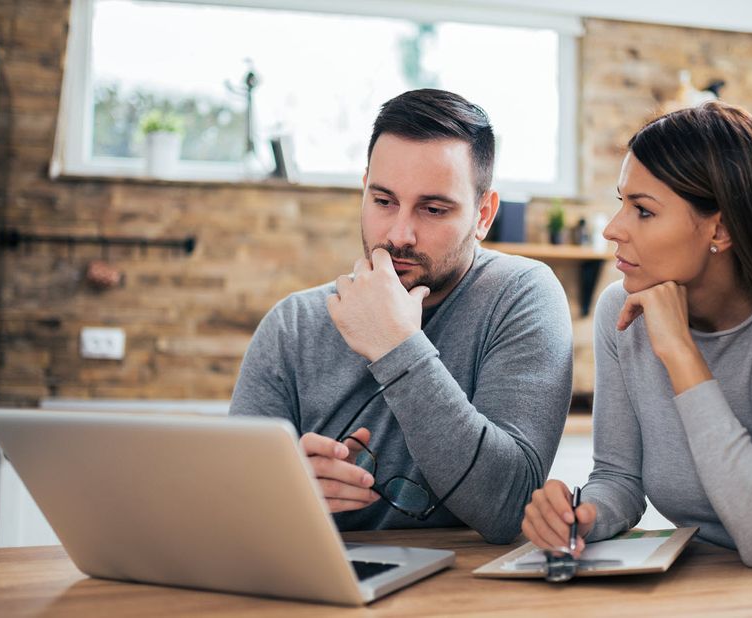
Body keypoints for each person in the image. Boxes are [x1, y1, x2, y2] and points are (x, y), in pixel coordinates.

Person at [521, 101, 752, 575]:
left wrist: (680, 353)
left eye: (643, 211)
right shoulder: (622, 312)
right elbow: (619, 478)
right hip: (709, 583)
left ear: (721, 227)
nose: (613, 229)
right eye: (621, 202)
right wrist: (584, 516)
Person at [230, 89, 573, 543]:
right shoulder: (293, 324)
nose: (399, 234)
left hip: (468, 593)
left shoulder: (520, 296)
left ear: (483, 215)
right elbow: (231, 507)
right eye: (383, 201)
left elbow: (507, 507)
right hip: (326, 579)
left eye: (433, 209)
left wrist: (395, 344)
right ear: (364, 190)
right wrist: (279, 494)